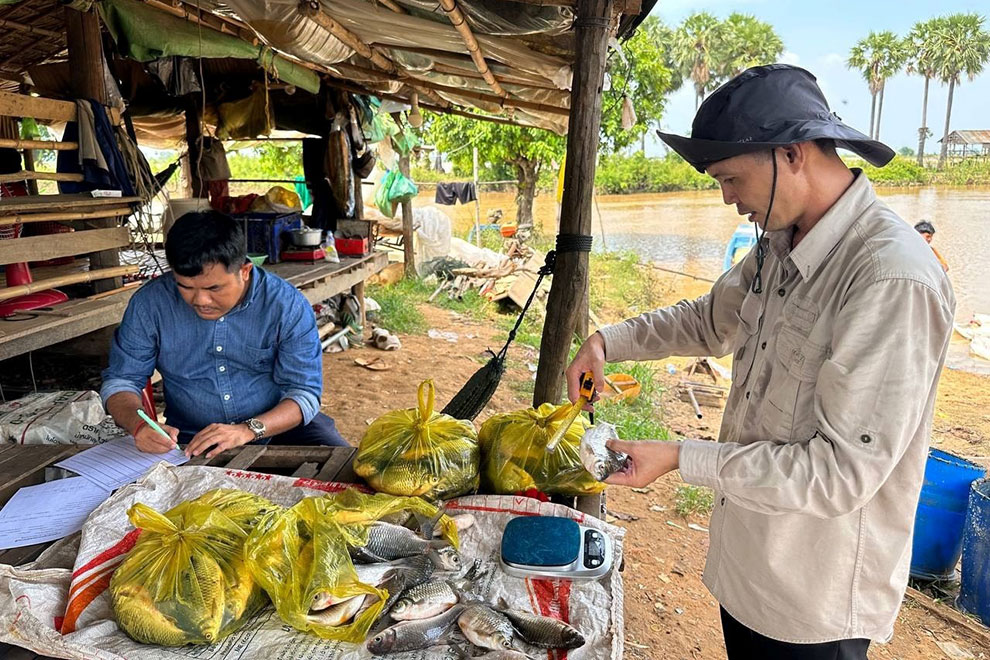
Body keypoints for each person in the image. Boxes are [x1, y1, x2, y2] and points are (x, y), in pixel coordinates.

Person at [566, 65, 954, 659]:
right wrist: (605, 342)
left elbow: (839, 473)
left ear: (792, 154)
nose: (727, 199)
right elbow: (709, 319)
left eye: (730, 178)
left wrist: (679, 458)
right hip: (748, 564)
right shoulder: (780, 242)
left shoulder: (889, 276)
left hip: (811, 600)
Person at [101, 210, 348, 458]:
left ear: (244, 271)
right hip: (190, 437)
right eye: (185, 287)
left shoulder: (285, 305)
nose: (200, 300)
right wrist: (139, 425)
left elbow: (304, 393)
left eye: (214, 288)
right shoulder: (150, 304)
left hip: (278, 427)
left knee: (349, 469)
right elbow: (121, 381)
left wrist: (247, 430)